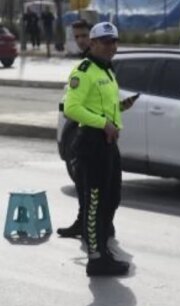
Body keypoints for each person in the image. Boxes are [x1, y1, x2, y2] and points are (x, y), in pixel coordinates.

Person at [63, 22, 138, 276]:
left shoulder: (106, 70)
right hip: (91, 143)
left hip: (107, 143)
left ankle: (102, 248)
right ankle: (96, 259)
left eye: (114, 42)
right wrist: (103, 123)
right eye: (106, 42)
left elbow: (102, 104)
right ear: (93, 44)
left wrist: (120, 108)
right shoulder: (83, 71)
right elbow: (71, 108)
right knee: (95, 202)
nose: (112, 47)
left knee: (112, 196)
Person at [57, 20, 93, 239]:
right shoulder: (86, 60)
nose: (80, 40)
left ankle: (91, 225)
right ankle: (91, 223)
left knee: (88, 182)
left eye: (84, 36)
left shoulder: (93, 62)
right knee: (84, 181)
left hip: (91, 130)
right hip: (86, 127)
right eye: (77, 36)